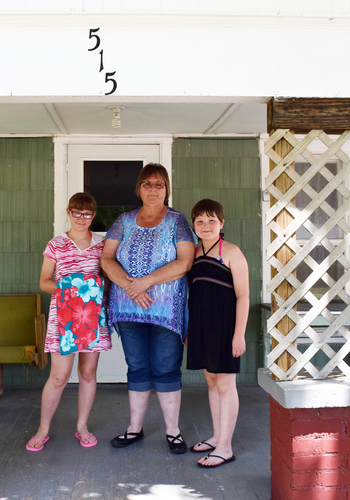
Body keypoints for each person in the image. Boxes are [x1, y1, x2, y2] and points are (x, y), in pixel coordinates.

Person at [101, 163, 196, 454]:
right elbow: (106, 258)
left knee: (167, 368)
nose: (153, 189)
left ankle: (173, 432)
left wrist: (145, 282)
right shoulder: (125, 221)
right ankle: (134, 429)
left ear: (167, 189)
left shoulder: (177, 221)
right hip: (128, 310)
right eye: (147, 183)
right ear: (138, 188)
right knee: (138, 367)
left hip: (166, 312)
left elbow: (185, 262)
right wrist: (131, 286)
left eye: (159, 184)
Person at [26, 192, 111, 451]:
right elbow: (44, 282)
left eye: (87, 214)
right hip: (63, 318)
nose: (81, 218)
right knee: (59, 376)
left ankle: (82, 427)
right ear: (68, 212)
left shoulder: (102, 244)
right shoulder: (56, 244)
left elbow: (107, 279)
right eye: (77, 212)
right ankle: (43, 429)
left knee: (87, 373)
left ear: (93, 215)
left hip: (92, 317)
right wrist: (73, 288)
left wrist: (97, 288)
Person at [186, 199, 249, 468]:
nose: (206, 225)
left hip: (225, 328)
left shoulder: (232, 252)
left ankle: (226, 447)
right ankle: (216, 436)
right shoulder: (194, 253)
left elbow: (243, 296)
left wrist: (239, 335)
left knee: (225, 385)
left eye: (211, 220)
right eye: (199, 221)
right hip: (201, 328)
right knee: (211, 383)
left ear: (221, 223)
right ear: (194, 226)